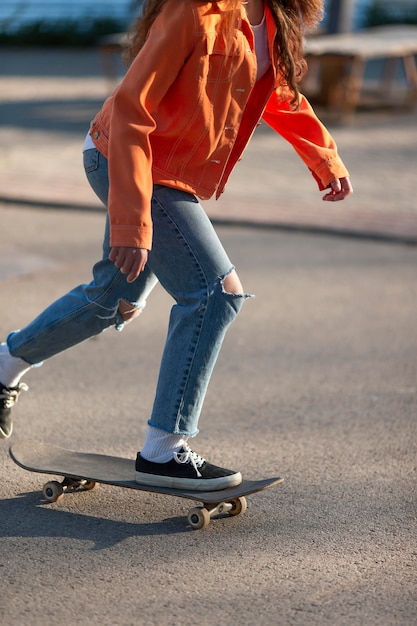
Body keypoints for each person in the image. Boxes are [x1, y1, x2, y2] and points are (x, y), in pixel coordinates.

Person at [0, 0, 352, 490]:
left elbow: (279, 92)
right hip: (127, 159)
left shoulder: (274, 15)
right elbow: (130, 107)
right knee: (215, 292)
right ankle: (163, 448)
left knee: (111, 300)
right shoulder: (194, 10)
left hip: (172, 174)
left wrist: (324, 158)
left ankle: (4, 364)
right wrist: (131, 223)